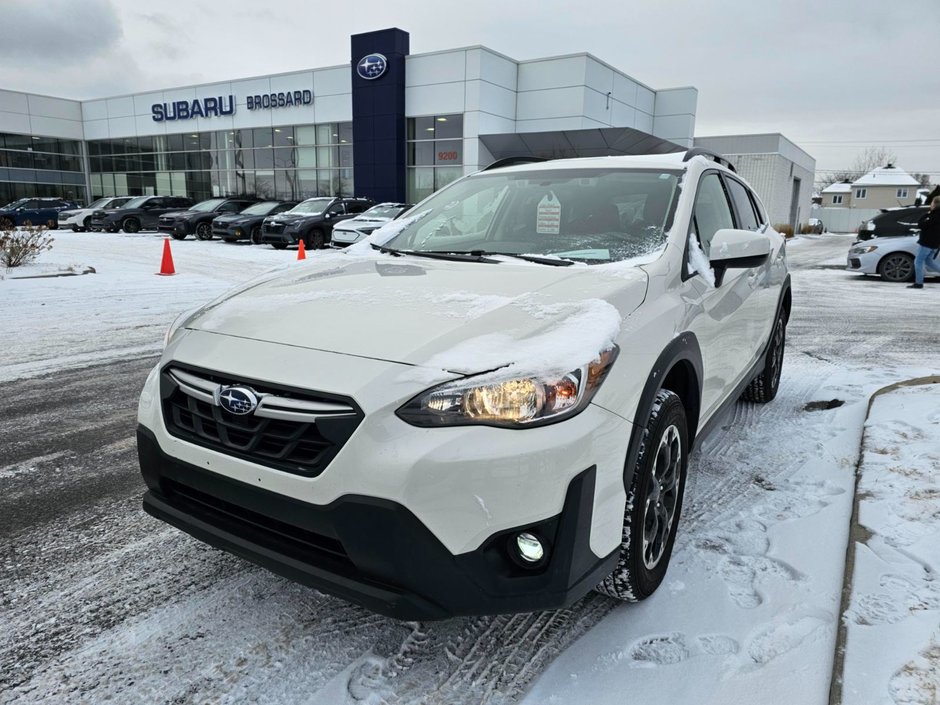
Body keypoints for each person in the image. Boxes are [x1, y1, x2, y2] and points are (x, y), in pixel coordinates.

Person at [909, 195, 940, 288]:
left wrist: (927, 214)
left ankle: (919, 283)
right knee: (929, 261)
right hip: (935, 243)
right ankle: (919, 282)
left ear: (935, 204)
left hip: (927, 242)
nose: (931, 204)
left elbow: (921, 224)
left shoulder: (934, 215)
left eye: (932, 202)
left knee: (918, 261)